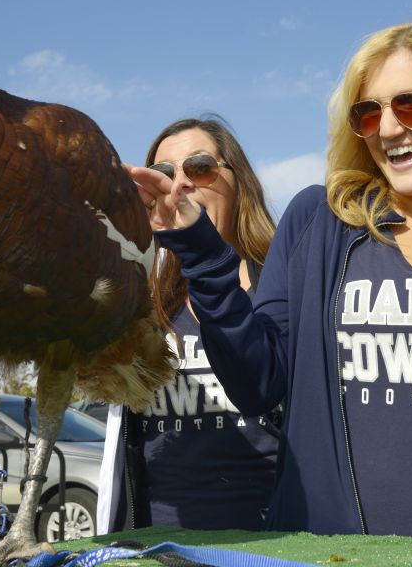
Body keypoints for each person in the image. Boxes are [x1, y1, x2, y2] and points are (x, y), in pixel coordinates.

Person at [130, 21, 412, 562]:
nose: (389, 128)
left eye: (411, 105)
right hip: (349, 554)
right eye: (369, 113)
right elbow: (257, 383)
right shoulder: (320, 225)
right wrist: (201, 253)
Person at [97, 116, 281, 533]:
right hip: (160, 543)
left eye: (200, 168)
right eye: (163, 174)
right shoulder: (140, 298)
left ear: (240, 183)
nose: (180, 185)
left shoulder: (284, 283)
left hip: (274, 541)